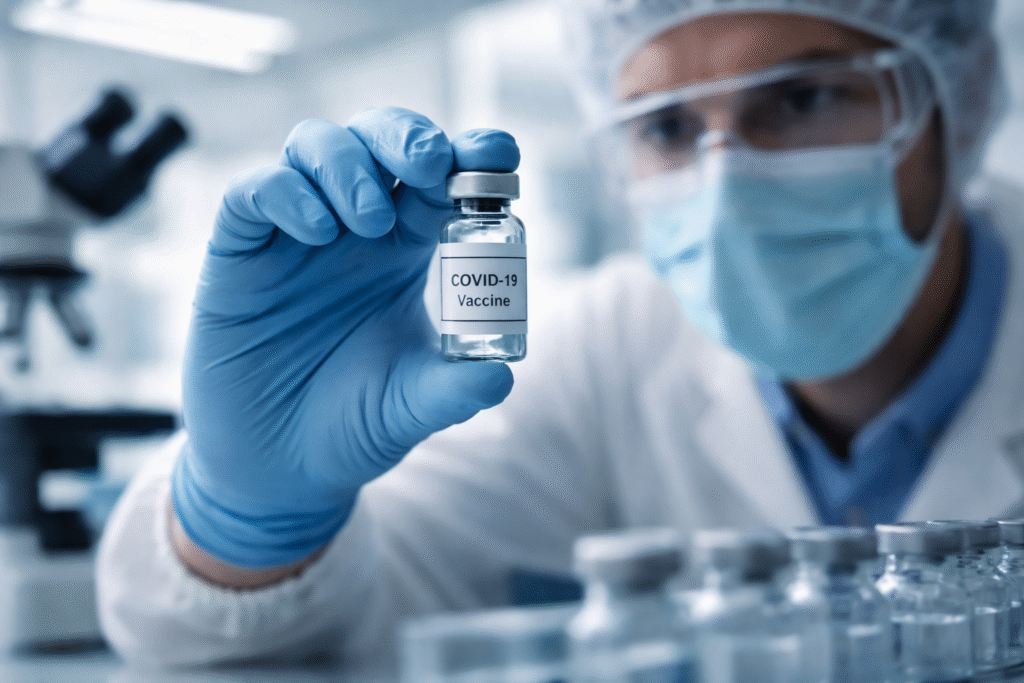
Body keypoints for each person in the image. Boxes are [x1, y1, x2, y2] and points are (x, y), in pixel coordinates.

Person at [96, 0, 1021, 672]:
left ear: (960, 96)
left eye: (805, 98)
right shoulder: (606, 349)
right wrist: (251, 524)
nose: (725, 176)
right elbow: (318, 634)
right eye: (665, 125)